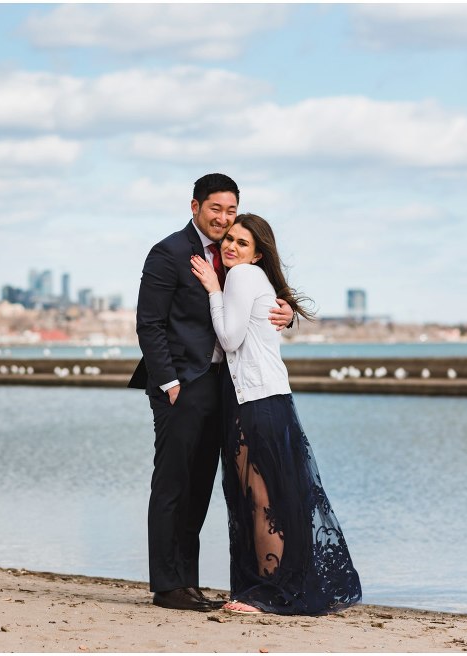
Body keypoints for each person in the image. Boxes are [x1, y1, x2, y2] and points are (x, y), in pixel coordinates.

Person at [129, 174, 294, 612]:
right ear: (195, 206)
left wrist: (286, 311)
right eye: (215, 209)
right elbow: (150, 324)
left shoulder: (234, 253)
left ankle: (188, 583)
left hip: (226, 386)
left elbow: (258, 300)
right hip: (182, 387)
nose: (223, 219)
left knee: (201, 485)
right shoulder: (168, 253)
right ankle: (167, 586)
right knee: (173, 484)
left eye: (231, 211)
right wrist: (169, 383)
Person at [189, 213, 362, 615]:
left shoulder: (241, 277)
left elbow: (230, 339)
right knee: (271, 498)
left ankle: (270, 593)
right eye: (229, 239)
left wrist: (214, 288)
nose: (231, 246)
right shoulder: (258, 280)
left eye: (241, 243)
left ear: (258, 253)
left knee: (261, 499)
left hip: (256, 402)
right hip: (267, 399)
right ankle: (276, 586)